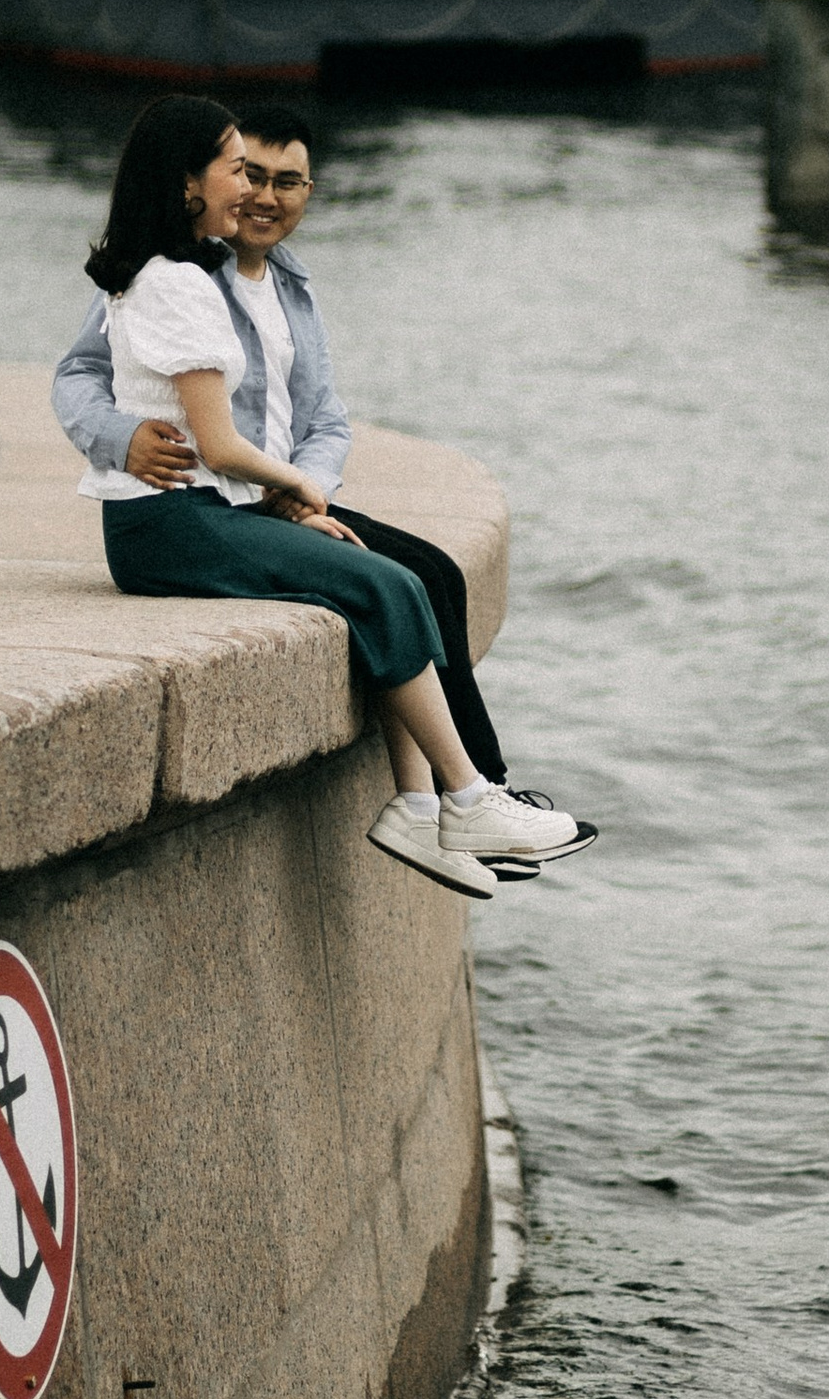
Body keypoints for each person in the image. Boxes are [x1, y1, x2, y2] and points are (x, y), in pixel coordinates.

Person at [58, 94, 585, 901]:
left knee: (410, 573)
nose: (258, 193)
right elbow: (143, 406)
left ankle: (431, 805)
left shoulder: (267, 285)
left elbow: (323, 417)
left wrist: (306, 493)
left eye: (283, 180)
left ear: (310, 192)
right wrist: (275, 484)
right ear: (189, 181)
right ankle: (468, 798)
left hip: (236, 497)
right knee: (385, 583)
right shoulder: (181, 280)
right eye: (242, 171)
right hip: (196, 506)